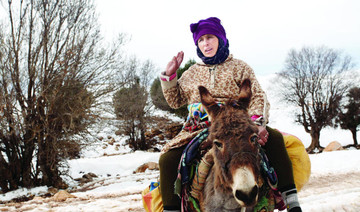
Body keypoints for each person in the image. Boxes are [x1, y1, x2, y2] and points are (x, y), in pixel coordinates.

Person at [159, 17, 302, 212]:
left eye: (210, 37)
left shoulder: (239, 67)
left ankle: (291, 200)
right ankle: (172, 209)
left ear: (221, 39)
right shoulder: (192, 72)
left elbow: (258, 95)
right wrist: (170, 77)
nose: (205, 43)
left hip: (238, 125)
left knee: (275, 139)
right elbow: (175, 101)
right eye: (200, 40)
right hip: (198, 127)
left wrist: (257, 123)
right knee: (167, 160)